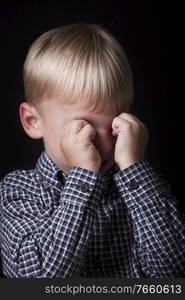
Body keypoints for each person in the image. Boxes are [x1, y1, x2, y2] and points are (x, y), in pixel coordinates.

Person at [0, 23, 185, 278]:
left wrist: (135, 169)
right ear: (33, 121)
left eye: (114, 124)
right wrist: (84, 177)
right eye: (83, 125)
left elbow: (174, 275)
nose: (107, 144)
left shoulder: (141, 187)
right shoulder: (18, 192)